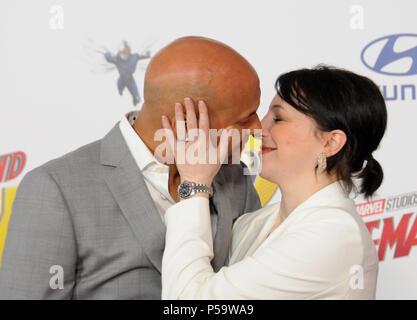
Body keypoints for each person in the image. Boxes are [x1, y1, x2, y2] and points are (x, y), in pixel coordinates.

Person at [0, 36, 262, 299]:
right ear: (182, 122)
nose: (258, 129)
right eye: (245, 119)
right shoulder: (54, 189)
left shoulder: (235, 177)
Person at [161, 66, 387, 299]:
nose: (258, 129)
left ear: (331, 143)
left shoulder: (334, 233)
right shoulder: (252, 223)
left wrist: (195, 184)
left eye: (278, 118)